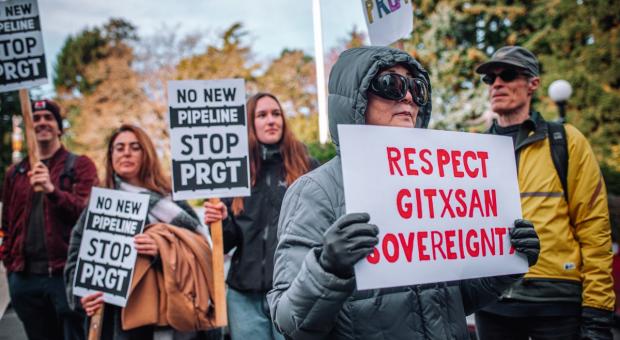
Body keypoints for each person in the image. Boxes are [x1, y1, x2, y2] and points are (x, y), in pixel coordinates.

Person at [266, 46, 541, 340]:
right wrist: (327, 268)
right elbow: (289, 323)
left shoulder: (437, 182)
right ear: (355, 99)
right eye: (390, 85)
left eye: (417, 88)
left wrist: (506, 262)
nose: (409, 97)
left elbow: (457, 301)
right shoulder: (315, 191)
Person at [474, 46, 615, 339]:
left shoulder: (566, 140)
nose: (497, 84)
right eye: (490, 78)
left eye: (508, 74)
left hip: (556, 303)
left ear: (533, 84)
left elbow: (595, 229)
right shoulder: (471, 150)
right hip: (491, 303)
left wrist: (597, 314)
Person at [64, 124, 220, 339]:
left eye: (135, 147)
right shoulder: (99, 206)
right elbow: (75, 260)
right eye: (119, 148)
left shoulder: (172, 200)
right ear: (111, 157)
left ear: (146, 153)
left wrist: (163, 249)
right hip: (121, 322)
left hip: (177, 318)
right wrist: (82, 297)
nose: (126, 152)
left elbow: (199, 250)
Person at [204, 92, 319, 340]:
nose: (271, 120)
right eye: (262, 115)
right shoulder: (233, 172)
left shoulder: (307, 166)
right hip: (243, 297)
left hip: (295, 292)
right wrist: (221, 219)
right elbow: (227, 243)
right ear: (249, 123)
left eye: (276, 114)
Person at [1, 99, 98, 340]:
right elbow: (6, 225)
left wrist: (52, 190)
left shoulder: (80, 165)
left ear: (59, 127)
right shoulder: (15, 173)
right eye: (36, 118)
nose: (42, 122)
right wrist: (9, 264)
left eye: (48, 117)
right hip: (24, 279)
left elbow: (88, 214)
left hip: (65, 276)